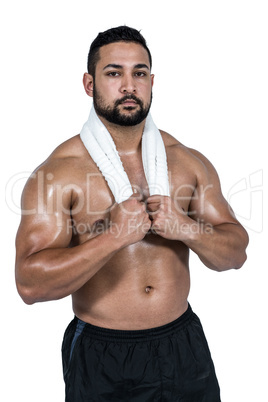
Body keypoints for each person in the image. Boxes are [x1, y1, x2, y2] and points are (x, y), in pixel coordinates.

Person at [15, 26, 249, 401]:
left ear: (152, 82)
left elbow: (236, 253)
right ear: (90, 84)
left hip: (182, 344)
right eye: (114, 73)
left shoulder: (187, 162)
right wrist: (113, 237)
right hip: (102, 353)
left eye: (139, 73)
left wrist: (187, 229)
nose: (129, 85)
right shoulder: (59, 174)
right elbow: (29, 285)